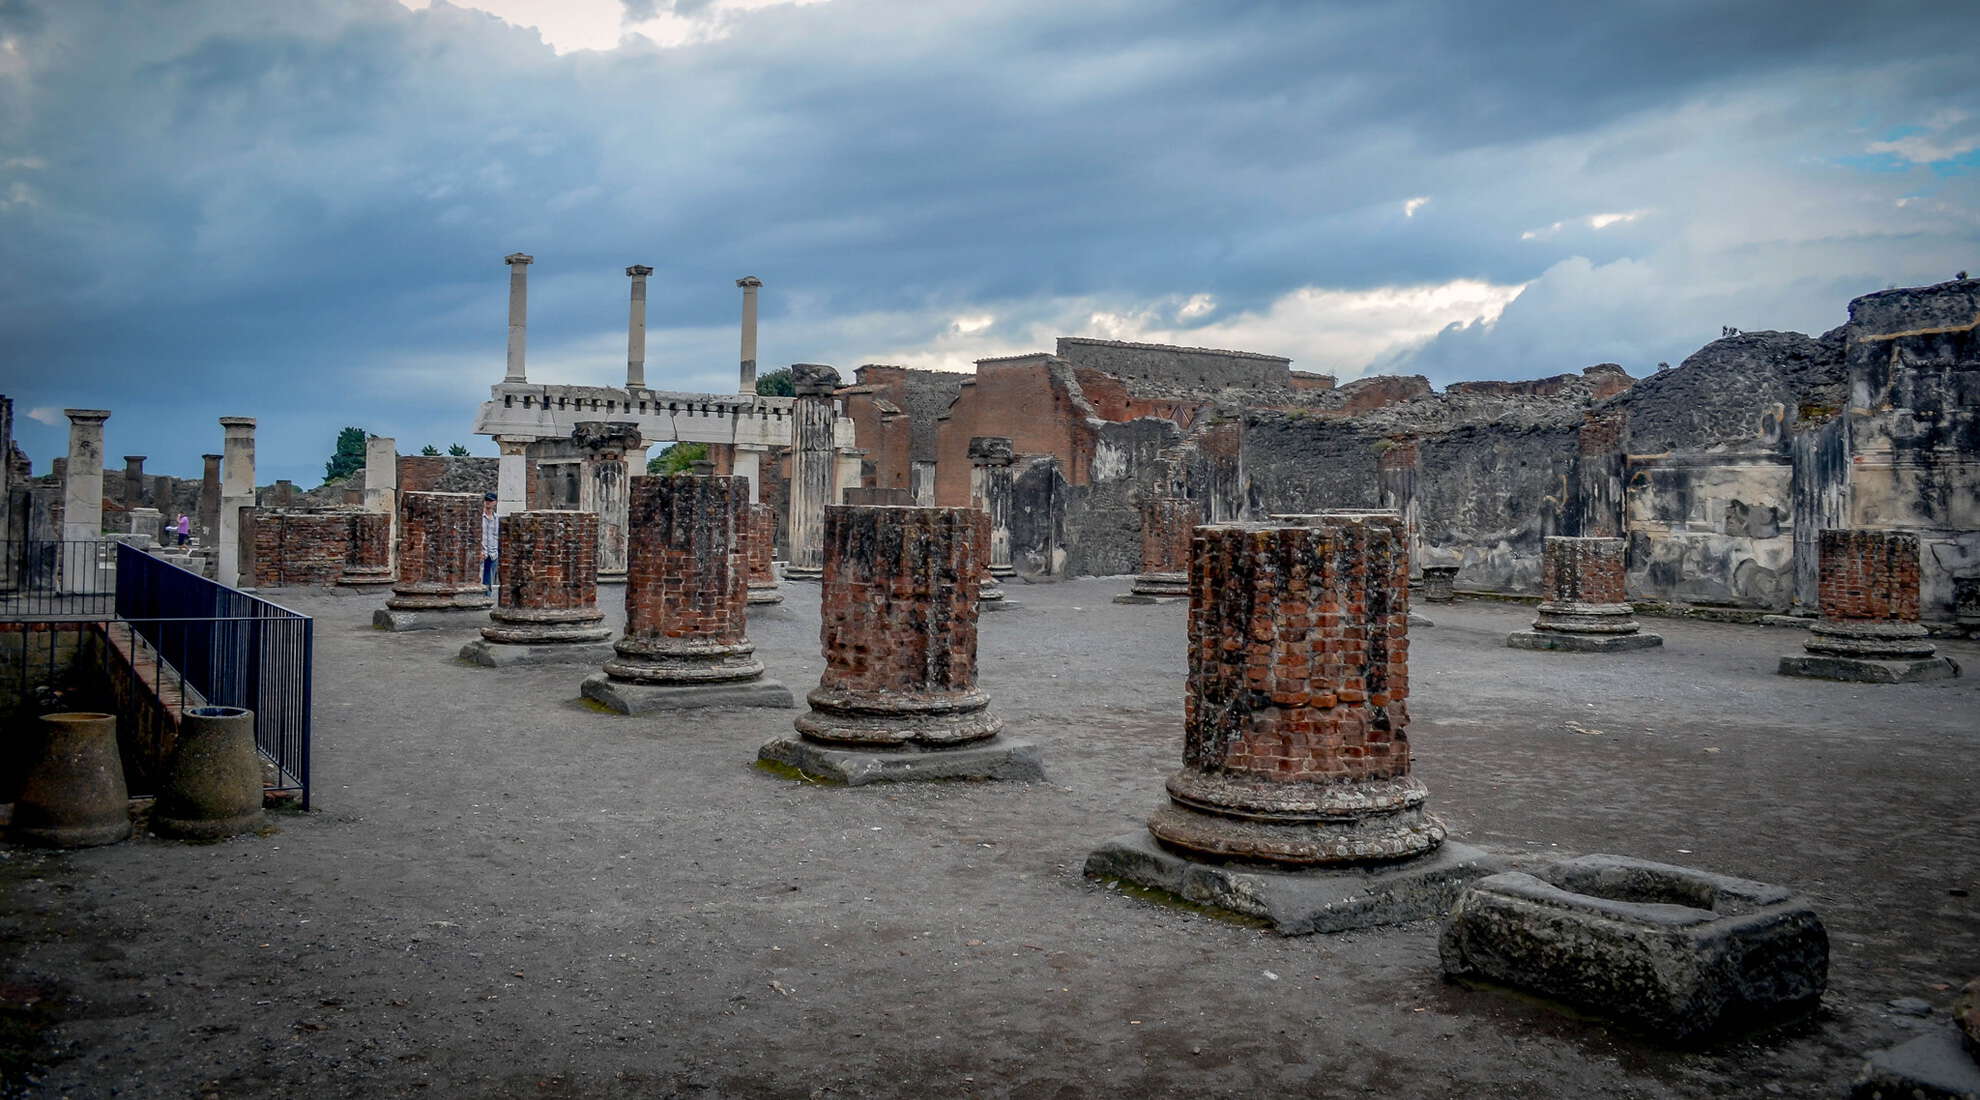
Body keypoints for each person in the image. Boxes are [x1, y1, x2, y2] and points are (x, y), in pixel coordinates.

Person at [481, 492, 499, 594]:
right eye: (486, 500)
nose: (488, 502)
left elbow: (497, 536)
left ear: (495, 502)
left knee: (490, 580)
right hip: (482, 552)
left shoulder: (497, 518)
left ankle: (487, 597)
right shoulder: (480, 517)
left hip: (493, 553)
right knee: (480, 577)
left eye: (490, 501)